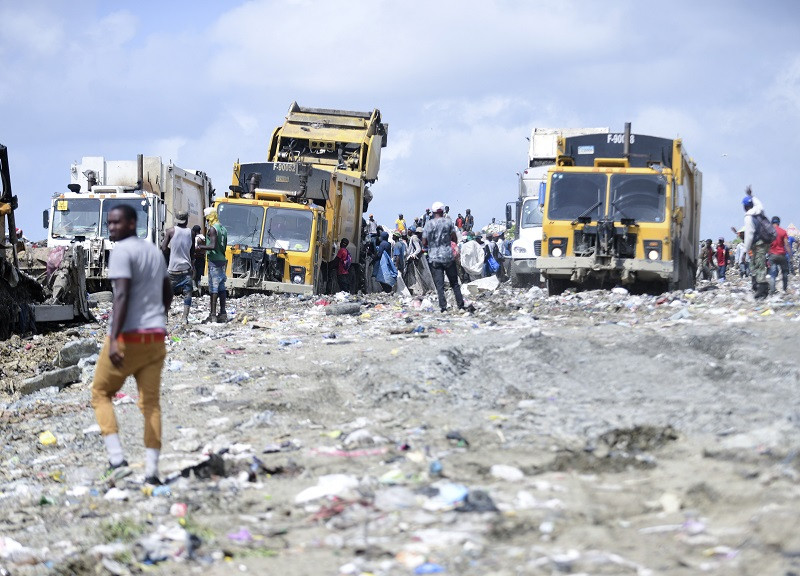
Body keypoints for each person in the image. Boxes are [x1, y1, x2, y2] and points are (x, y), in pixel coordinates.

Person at [91, 204, 172, 486]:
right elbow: (167, 291)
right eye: (109, 223)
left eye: (116, 223)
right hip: (155, 339)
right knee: (150, 404)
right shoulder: (153, 251)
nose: (111, 228)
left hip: (129, 339)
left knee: (100, 392)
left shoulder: (121, 252)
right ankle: (152, 473)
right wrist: (158, 319)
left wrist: (114, 339)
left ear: (131, 223)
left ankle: (117, 461)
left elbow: (121, 296)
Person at [423, 201, 465, 312]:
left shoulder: (428, 224)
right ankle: (461, 306)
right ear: (443, 211)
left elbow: (424, 242)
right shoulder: (448, 223)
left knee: (439, 284)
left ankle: (443, 308)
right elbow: (454, 238)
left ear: (432, 212)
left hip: (435, 258)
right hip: (448, 256)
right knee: (454, 283)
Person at [160, 211, 195, 324]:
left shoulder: (170, 231)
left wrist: (171, 253)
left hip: (172, 269)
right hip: (186, 269)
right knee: (188, 293)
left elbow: (163, 247)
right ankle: (184, 318)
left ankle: (165, 317)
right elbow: (192, 251)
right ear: (186, 220)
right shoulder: (191, 233)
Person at [196, 206, 229, 322]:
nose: (206, 220)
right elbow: (223, 246)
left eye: (206, 218)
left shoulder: (212, 229)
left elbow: (212, 246)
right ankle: (223, 313)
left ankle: (213, 315)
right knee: (221, 287)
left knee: (213, 289)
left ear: (210, 216)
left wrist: (200, 247)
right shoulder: (223, 229)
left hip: (214, 261)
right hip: (222, 260)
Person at [742, 194, 770, 299]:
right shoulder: (759, 211)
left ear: (745, 206)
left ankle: (761, 292)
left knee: (758, 266)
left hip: (757, 245)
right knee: (757, 265)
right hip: (764, 244)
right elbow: (759, 204)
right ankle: (758, 287)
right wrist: (751, 196)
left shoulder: (748, 217)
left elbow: (749, 235)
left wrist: (745, 251)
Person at [768, 216, 790, 294]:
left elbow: (767, 244)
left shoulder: (769, 232)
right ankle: (784, 289)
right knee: (784, 272)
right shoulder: (783, 231)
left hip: (772, 255)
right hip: (782, 255)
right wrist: (790, 254)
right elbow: (786, 244)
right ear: (779, 222)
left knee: (773, 273)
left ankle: (772, 290)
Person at [191, 224, 205, 290]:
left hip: (197, 258)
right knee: (200, 274)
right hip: (202, 258)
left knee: (194, 275)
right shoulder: (203, 238)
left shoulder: (197, 238)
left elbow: (195, 248)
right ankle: (201, 290)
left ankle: (196, 289)